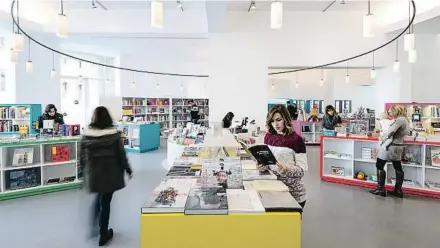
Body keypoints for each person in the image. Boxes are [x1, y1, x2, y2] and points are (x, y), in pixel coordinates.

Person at [79, 106, 133, 246]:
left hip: (94, 174)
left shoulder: (87, 135)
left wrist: (82, 173)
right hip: (110, 173)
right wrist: (128, 169)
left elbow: (82, 157)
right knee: (105, 202)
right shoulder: (114, 135)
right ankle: (103, 233)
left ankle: (94, 226)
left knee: (100, 197)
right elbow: (121, 154)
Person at [258, 105, 308, 208]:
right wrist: (263, 166)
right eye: (272, 121)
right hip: (273, 190)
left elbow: (302, 170)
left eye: (278, 120)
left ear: (285, 119)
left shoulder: (296, 140)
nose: (275, 124)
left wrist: (286, 169)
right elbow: (269, 162)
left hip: (293, 193)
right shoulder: (268, 137)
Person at [370, 105, 409, 198]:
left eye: (391, 112)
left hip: (390, 147)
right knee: (398, 167)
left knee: (379, 164)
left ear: (396, 111)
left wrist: (382, 138)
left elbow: (390, 132)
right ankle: (398, 190)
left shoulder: (399, 120)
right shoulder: (406, 120)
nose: (390, 114)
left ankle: (381, 189)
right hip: (398, 146)